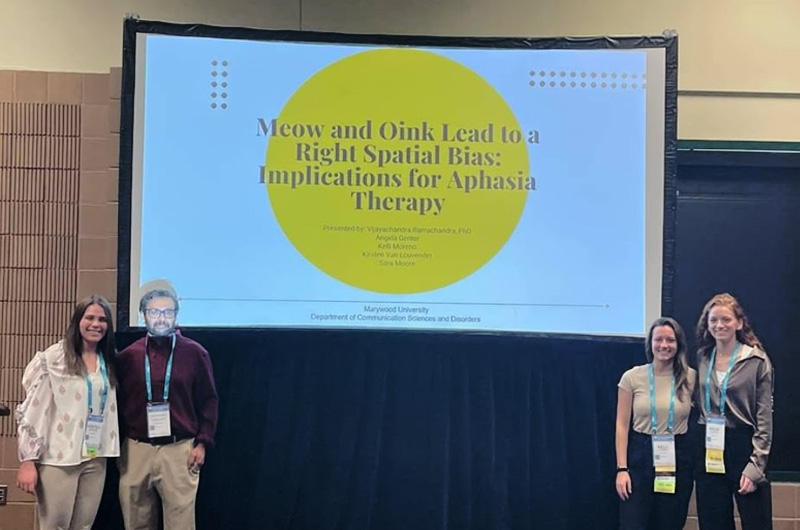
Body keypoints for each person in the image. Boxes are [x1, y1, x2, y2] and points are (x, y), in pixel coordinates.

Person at [15, 295, 120, 530]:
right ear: (77, 320)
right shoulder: (54, 357)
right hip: (58, 458)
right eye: (89, 317)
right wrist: (28, 460)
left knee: (83, 526)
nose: (96, 324)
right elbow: (33, 410)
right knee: (55, 526)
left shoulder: (108, 359)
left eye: (102, 319)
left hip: (95, 457)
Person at [117, 288, 218, 530]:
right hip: (136, 450)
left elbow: (208, 400)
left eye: (167, 311)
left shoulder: (195, 353)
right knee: (136, 523)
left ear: (176, 315)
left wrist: (202, 442)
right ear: (143, 315)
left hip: (179, 450)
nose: (161, 317)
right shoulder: (128, 356)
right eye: (154, 311)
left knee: (180, 525)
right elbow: (117, 403)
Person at [694, 293, 773, 530]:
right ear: (707, 325)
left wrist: (756, 465)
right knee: (713, 521)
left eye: (726, 319)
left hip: (743, 445)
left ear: (739, 323)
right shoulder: (703, 357)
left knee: (755, 521)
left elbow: (764, 419)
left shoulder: (757, 360)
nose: (720, 325)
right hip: (709, 445)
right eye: (714, 320)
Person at [615, 317, 696, 530]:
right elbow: (621, 426)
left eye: (670, 340)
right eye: (658, 339)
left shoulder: (691, 378)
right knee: (634, 524)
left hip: (677, 457)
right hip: (639, 457)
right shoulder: (632, 377)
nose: (664, 345)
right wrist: (621, 469)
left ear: (678, 344)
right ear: (650, 343)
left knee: (670, 523)